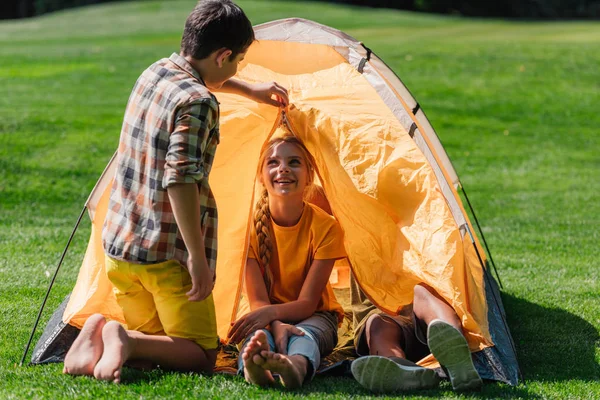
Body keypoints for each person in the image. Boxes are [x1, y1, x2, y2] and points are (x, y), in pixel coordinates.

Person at [62, 0, 288, 383]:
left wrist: (249, 89)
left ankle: (102, 332)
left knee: (157, 349)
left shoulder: (154, 72)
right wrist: (197, 258)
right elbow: (180, 179)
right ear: (223, 55)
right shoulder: (200, 103)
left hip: (120, 246)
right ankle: (124, 341)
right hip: (164, 255)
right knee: (199, 355)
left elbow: (203, 75)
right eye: (239, 62)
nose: (238, 69)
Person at [226, 134, 346, 389]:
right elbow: (258, 300)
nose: (283, 169)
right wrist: (276, 324)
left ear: (309, 175)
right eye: (273, 162)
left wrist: (273, 316)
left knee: (305, 336)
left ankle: (295, 367)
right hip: (262, 314)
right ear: (260, 176)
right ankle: (254, 369)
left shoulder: (326, 227)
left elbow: (307, 303)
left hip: (315, 314)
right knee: (257, 336)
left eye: (294, 162)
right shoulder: (246, 229)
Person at [350, 277, 483, 392]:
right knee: (379, 321)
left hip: (409, 312)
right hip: (406, 312)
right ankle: (400, 366)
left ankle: (397, 363)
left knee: (421, 293)